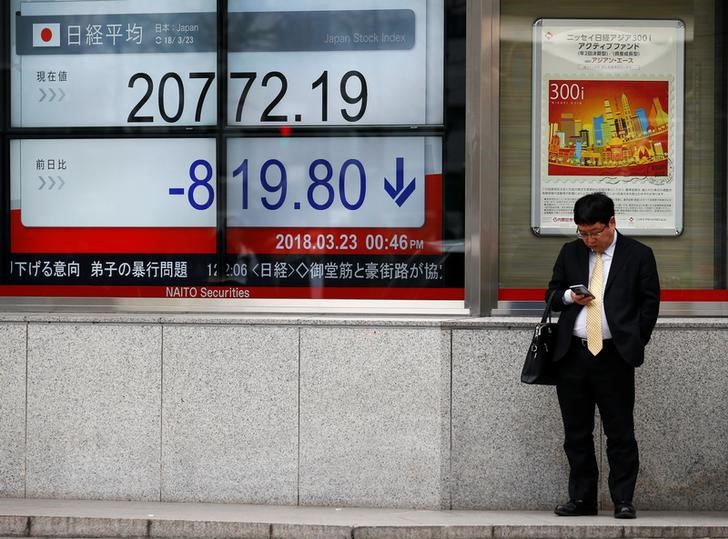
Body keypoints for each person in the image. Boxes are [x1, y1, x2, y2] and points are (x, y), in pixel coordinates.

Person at [545, 192, 660, 519]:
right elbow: (551, 296)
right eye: (583, 232)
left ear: (612, 222)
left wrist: (636, 341)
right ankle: (582, 500)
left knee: (620, 431)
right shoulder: (570, 253)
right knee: (576, 433)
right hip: (573, 355)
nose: (589, 239)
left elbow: (649, 303)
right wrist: (568, 296)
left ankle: (623, 499)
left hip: (614, 355)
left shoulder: (638, 255)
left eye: (595, 232)